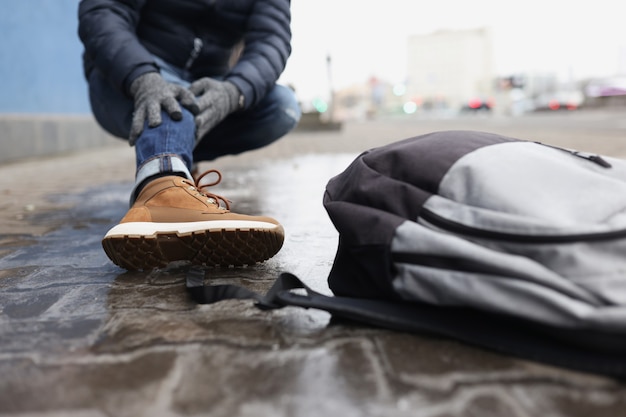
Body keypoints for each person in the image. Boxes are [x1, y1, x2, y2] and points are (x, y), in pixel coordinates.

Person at [78, 0, 301, 271]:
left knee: (283, 106)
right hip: (127, 74)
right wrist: (141, 75)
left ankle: (177, 162)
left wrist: (234, 90)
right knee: (175, 99)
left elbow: (271, 39)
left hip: (206, 82)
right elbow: (105, 11)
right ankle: (160, 188)